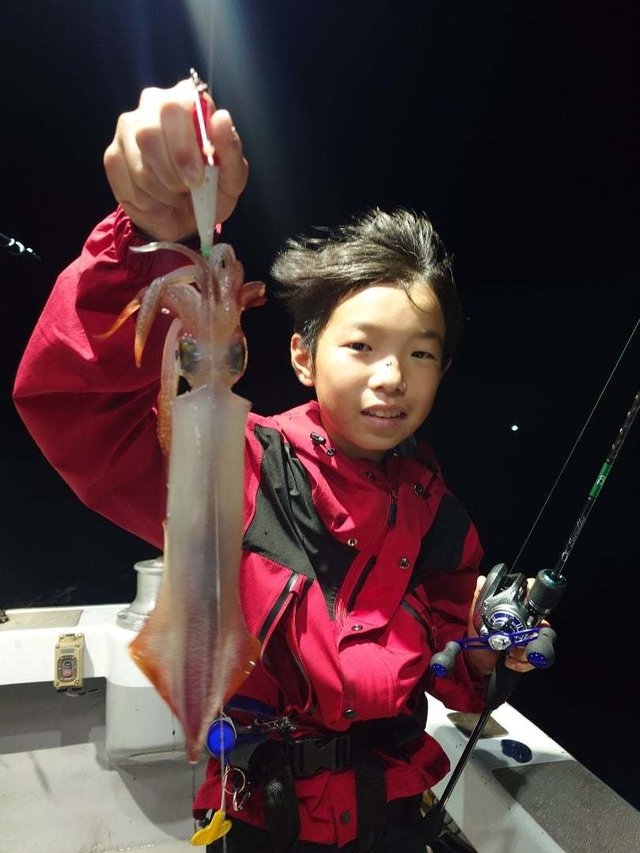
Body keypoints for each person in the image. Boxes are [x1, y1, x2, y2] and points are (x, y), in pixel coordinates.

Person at [13, 80, 539, 853]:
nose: (391, 376)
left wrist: (494, 647)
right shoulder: (235, 463)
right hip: (263, 816)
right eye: (361, 345)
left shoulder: (438, 511)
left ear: (443, 370)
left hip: (394, 816)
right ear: (302, 355)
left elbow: (452, 671)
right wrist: (143, 241)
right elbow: (77, 406)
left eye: (420, 354)